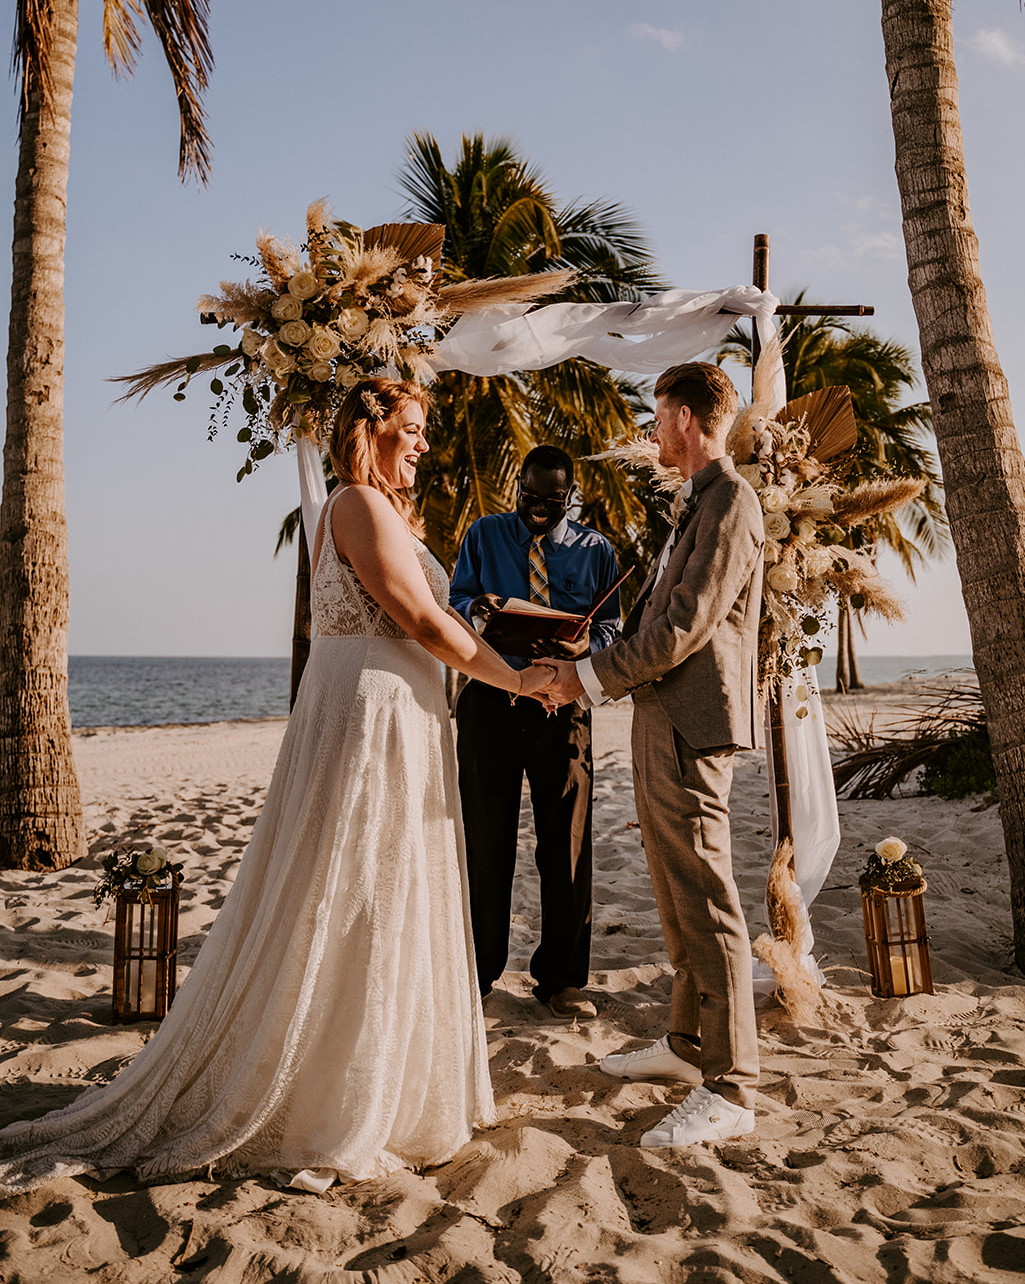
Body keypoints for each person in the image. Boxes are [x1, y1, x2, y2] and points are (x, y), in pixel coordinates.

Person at [0, 378, 553, 1192]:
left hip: (397, 711)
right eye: (413, 430)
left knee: (385, 893)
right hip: (371, 719)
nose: (425, 445)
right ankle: (330, 1097)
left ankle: (383, 1082)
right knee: (351, 888)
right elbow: (423, 623)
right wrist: (520, 680)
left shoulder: (380, 508)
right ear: (371, 433)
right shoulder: (357, 504)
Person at [538, 363, 764, 1147]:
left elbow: (687, 626)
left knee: (707, 899)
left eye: (657, 413)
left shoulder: (733, 500)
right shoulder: (693, 501)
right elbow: (660, 617)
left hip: (693, 724)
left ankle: (732, 1088)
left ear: (688, 417)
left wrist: (586, 678)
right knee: (674, 893)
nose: (651, 427)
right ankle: (684, 1046)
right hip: (658, 713)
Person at [450, 445, 621, 1020]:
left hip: (563, 709)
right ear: (516, 484)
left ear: (570, 495)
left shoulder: (597, 549)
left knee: (566, 844)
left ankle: (563, 980)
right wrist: (480, 609)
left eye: (553, 500)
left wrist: (585, 645)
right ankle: (476, 972)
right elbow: (454, 603)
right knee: (485, 841)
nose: (539, 510)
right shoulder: (483, 534)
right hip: (491, 702)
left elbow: (613, 629)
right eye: (530, 496)